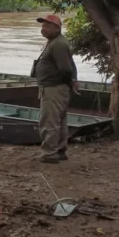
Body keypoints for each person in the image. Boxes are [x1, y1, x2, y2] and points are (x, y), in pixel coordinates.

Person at [32, 15, 78, 164]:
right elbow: (70, 65)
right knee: (59, 120)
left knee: (49, 121)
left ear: (57, 28)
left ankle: (49, 153)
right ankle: (59, 150)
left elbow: (65, 68)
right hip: (55, 87)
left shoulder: (58, 44)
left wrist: (67, 82)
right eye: (42, 26)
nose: (43, 29)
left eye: (47, 26)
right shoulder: (54, 42)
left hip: (54, 88)